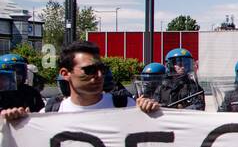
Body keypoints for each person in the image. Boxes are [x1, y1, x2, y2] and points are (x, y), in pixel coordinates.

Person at [0, 42, 158, 117]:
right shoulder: (50, 113)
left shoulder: (127, 106)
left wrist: (151, 112)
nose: (99, 75)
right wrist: (13, 123)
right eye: (89, 70)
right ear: (65, 73)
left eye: (101, 69)